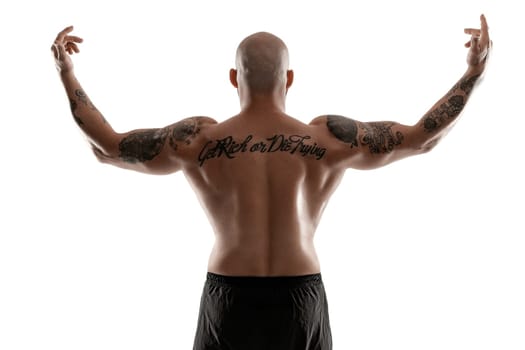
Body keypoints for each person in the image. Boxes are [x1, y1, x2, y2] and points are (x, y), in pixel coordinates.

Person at [51, 14, 491, 350]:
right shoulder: (327, 138)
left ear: (232, 78)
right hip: (300, 298)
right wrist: (473, 72)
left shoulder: (199, 139)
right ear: (290, 79)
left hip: (228, 297)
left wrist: (67, 72)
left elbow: (108, 144)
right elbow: (420, 140)